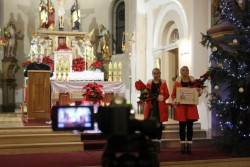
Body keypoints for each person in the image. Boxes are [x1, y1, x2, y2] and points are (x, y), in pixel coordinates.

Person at [171, 66, 200, 154]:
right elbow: (173, 95)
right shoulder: (177, 83)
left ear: (188, 71)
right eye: (183, 70)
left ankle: (189, 146)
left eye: (186, 70)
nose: (185, 71)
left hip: (191, 107)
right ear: (180, 72)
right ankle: (183, 146)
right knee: (182, 127)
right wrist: (176, 100)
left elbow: (197, 93)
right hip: (181, 108)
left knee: (190, 127)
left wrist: (199, 91)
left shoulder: (193, 82)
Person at [144, 68, 170, 152]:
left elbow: (167, 94)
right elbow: (145, 94)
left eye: (157, 73)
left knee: (159, 126)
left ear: (160, 74)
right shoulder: (149, 83)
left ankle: (158, 144)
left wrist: (163, 97)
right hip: (151, 106)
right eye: (154, 73)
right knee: (151, 125)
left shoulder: (163, 83)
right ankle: (152, 144)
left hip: (160, 106)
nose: (156, 75)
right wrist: (147, 97)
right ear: (152, 74)